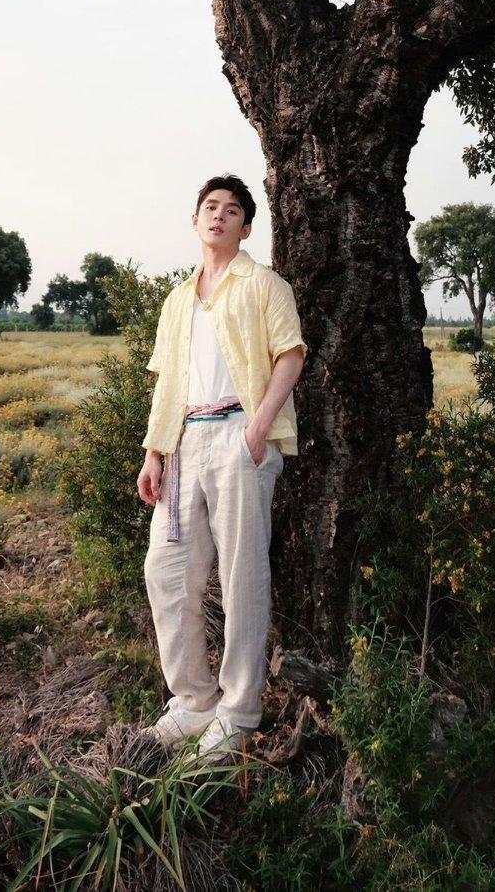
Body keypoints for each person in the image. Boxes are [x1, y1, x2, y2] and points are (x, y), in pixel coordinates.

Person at [136, 174, 307, 761]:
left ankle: (238, 712)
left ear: (246, 227)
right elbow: (168, 382)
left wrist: (258, 428)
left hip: (240, 437)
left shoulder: (265, 285)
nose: (218, 216)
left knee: (241, 576)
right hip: (184, 443)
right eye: (210, 207)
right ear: (195, 220)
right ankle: (193, 700)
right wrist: (154, 451)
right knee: (166, 570)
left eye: (231, 210)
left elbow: (290, 355)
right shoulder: (178, 300)